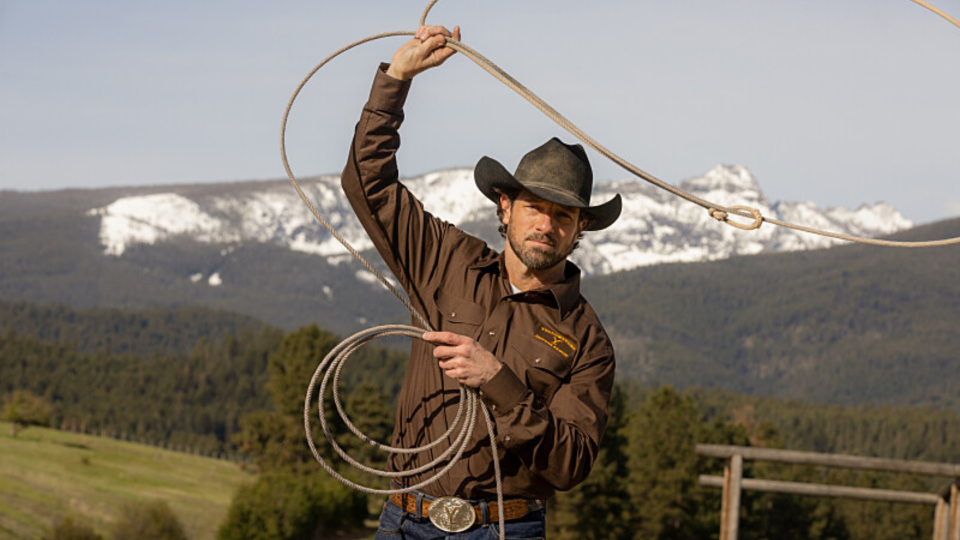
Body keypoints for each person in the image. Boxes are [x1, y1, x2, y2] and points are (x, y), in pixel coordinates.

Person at [340, 24, 622, 539]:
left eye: (563, 216)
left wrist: (498, 379)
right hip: (403, 519)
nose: (546, 225)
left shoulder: (588, 340)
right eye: (535, 207)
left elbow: (570, 465)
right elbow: (368, 182)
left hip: (503, 530)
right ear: (506, 206)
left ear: (580, 227)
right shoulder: (446, 260)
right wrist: (396, 80)